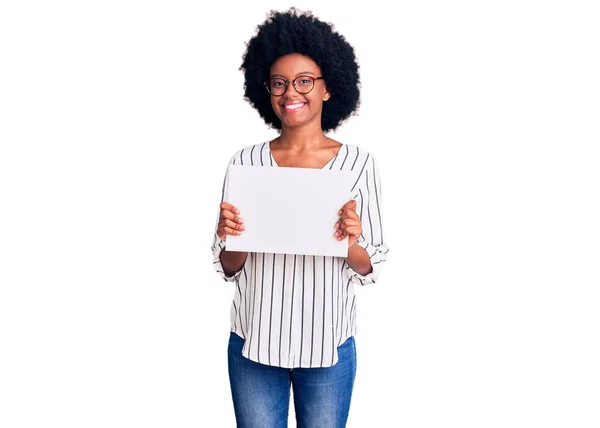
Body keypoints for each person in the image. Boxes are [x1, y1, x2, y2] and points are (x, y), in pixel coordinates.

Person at [211, 8, 389, 428]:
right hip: (255, 343)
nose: (291, 92)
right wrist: (231, 238)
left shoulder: (358, 164)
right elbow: (228, 266)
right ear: (267, 90)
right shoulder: (247, 162)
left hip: (327, 346)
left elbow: (372, 265)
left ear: (328, 88)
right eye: (279, 82)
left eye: (305, 80)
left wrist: (350, 243)